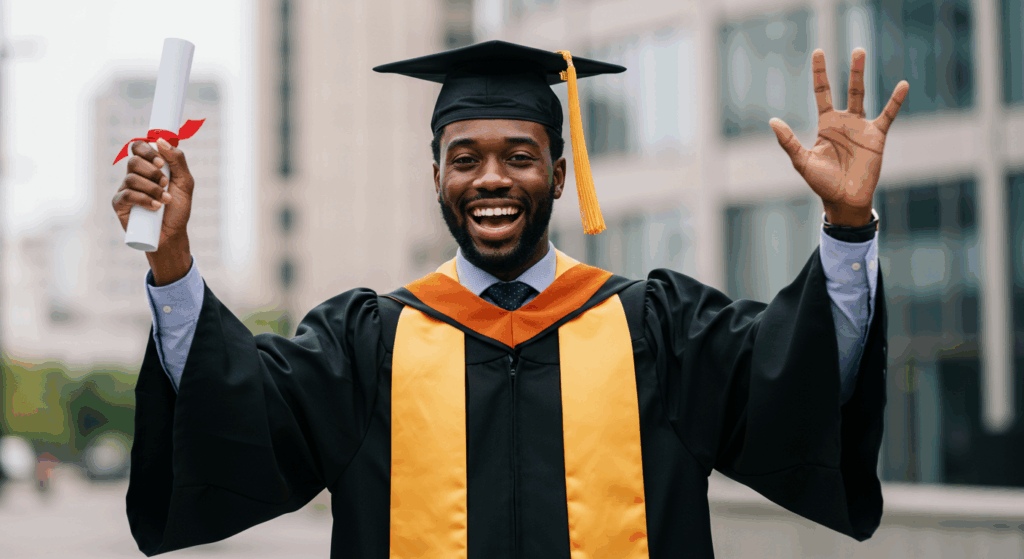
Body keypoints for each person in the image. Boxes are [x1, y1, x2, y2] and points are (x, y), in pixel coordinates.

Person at [115, 40, 908, 558]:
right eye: (466, 158)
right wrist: (174, 259)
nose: (491, 178)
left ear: (559, 175)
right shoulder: (367, 344)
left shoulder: (658, 331)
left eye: (519, 156)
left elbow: (793, 379)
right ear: (438, 178)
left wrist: (845, 226)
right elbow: (239, 408)